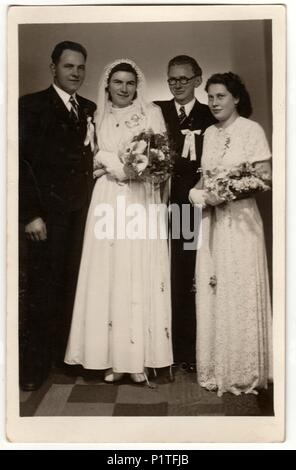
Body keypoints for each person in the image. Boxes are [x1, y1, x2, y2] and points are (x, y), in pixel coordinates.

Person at [64, 59, 173, 383]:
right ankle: (109, 357)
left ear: (136, 86)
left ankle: (137, 359)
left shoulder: (151, 113)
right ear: (108, 85)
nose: (124, 89)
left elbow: (162, 156)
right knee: (108, 272)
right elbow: (92, 154)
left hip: (140, 198)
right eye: (118, 83)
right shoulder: (96, 114)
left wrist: (140, 167)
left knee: (137, 270)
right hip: (109, 197)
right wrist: (115, 165)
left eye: (129, 83)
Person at [189, 72, 272, 396]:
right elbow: (202, 181)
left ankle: (245, 370)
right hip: (212, 224)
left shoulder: (251, 130)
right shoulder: (208, 133)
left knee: (239, 288)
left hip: (241, 224)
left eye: (220, 96)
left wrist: (226, 193)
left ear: (236, 98)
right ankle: (216, 367)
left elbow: (263, 179)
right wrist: (197, 196)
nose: (213, 102)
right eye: (210, 97)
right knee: (213, 289)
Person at [19, 41, 96, 391]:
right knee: (41, 290)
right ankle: (33, 367)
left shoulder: (92, 108)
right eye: (69, 67)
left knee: (71, 288)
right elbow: (18, 165)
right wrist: (30, 214)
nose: (76, 73)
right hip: (46, 218)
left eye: (81, 67)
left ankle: (63, 360)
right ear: (53, 68)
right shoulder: (31, 106)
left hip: (81, 216)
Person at [155, 55, 216, 371]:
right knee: (155, 274)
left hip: (189, 209)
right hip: (154, 207)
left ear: (197, 79)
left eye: (183, 78)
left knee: (185, 275)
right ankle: (156, 349)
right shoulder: (156, 111)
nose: (177, 84)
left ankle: (186, 351)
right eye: (171, 79)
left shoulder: (211, 114)